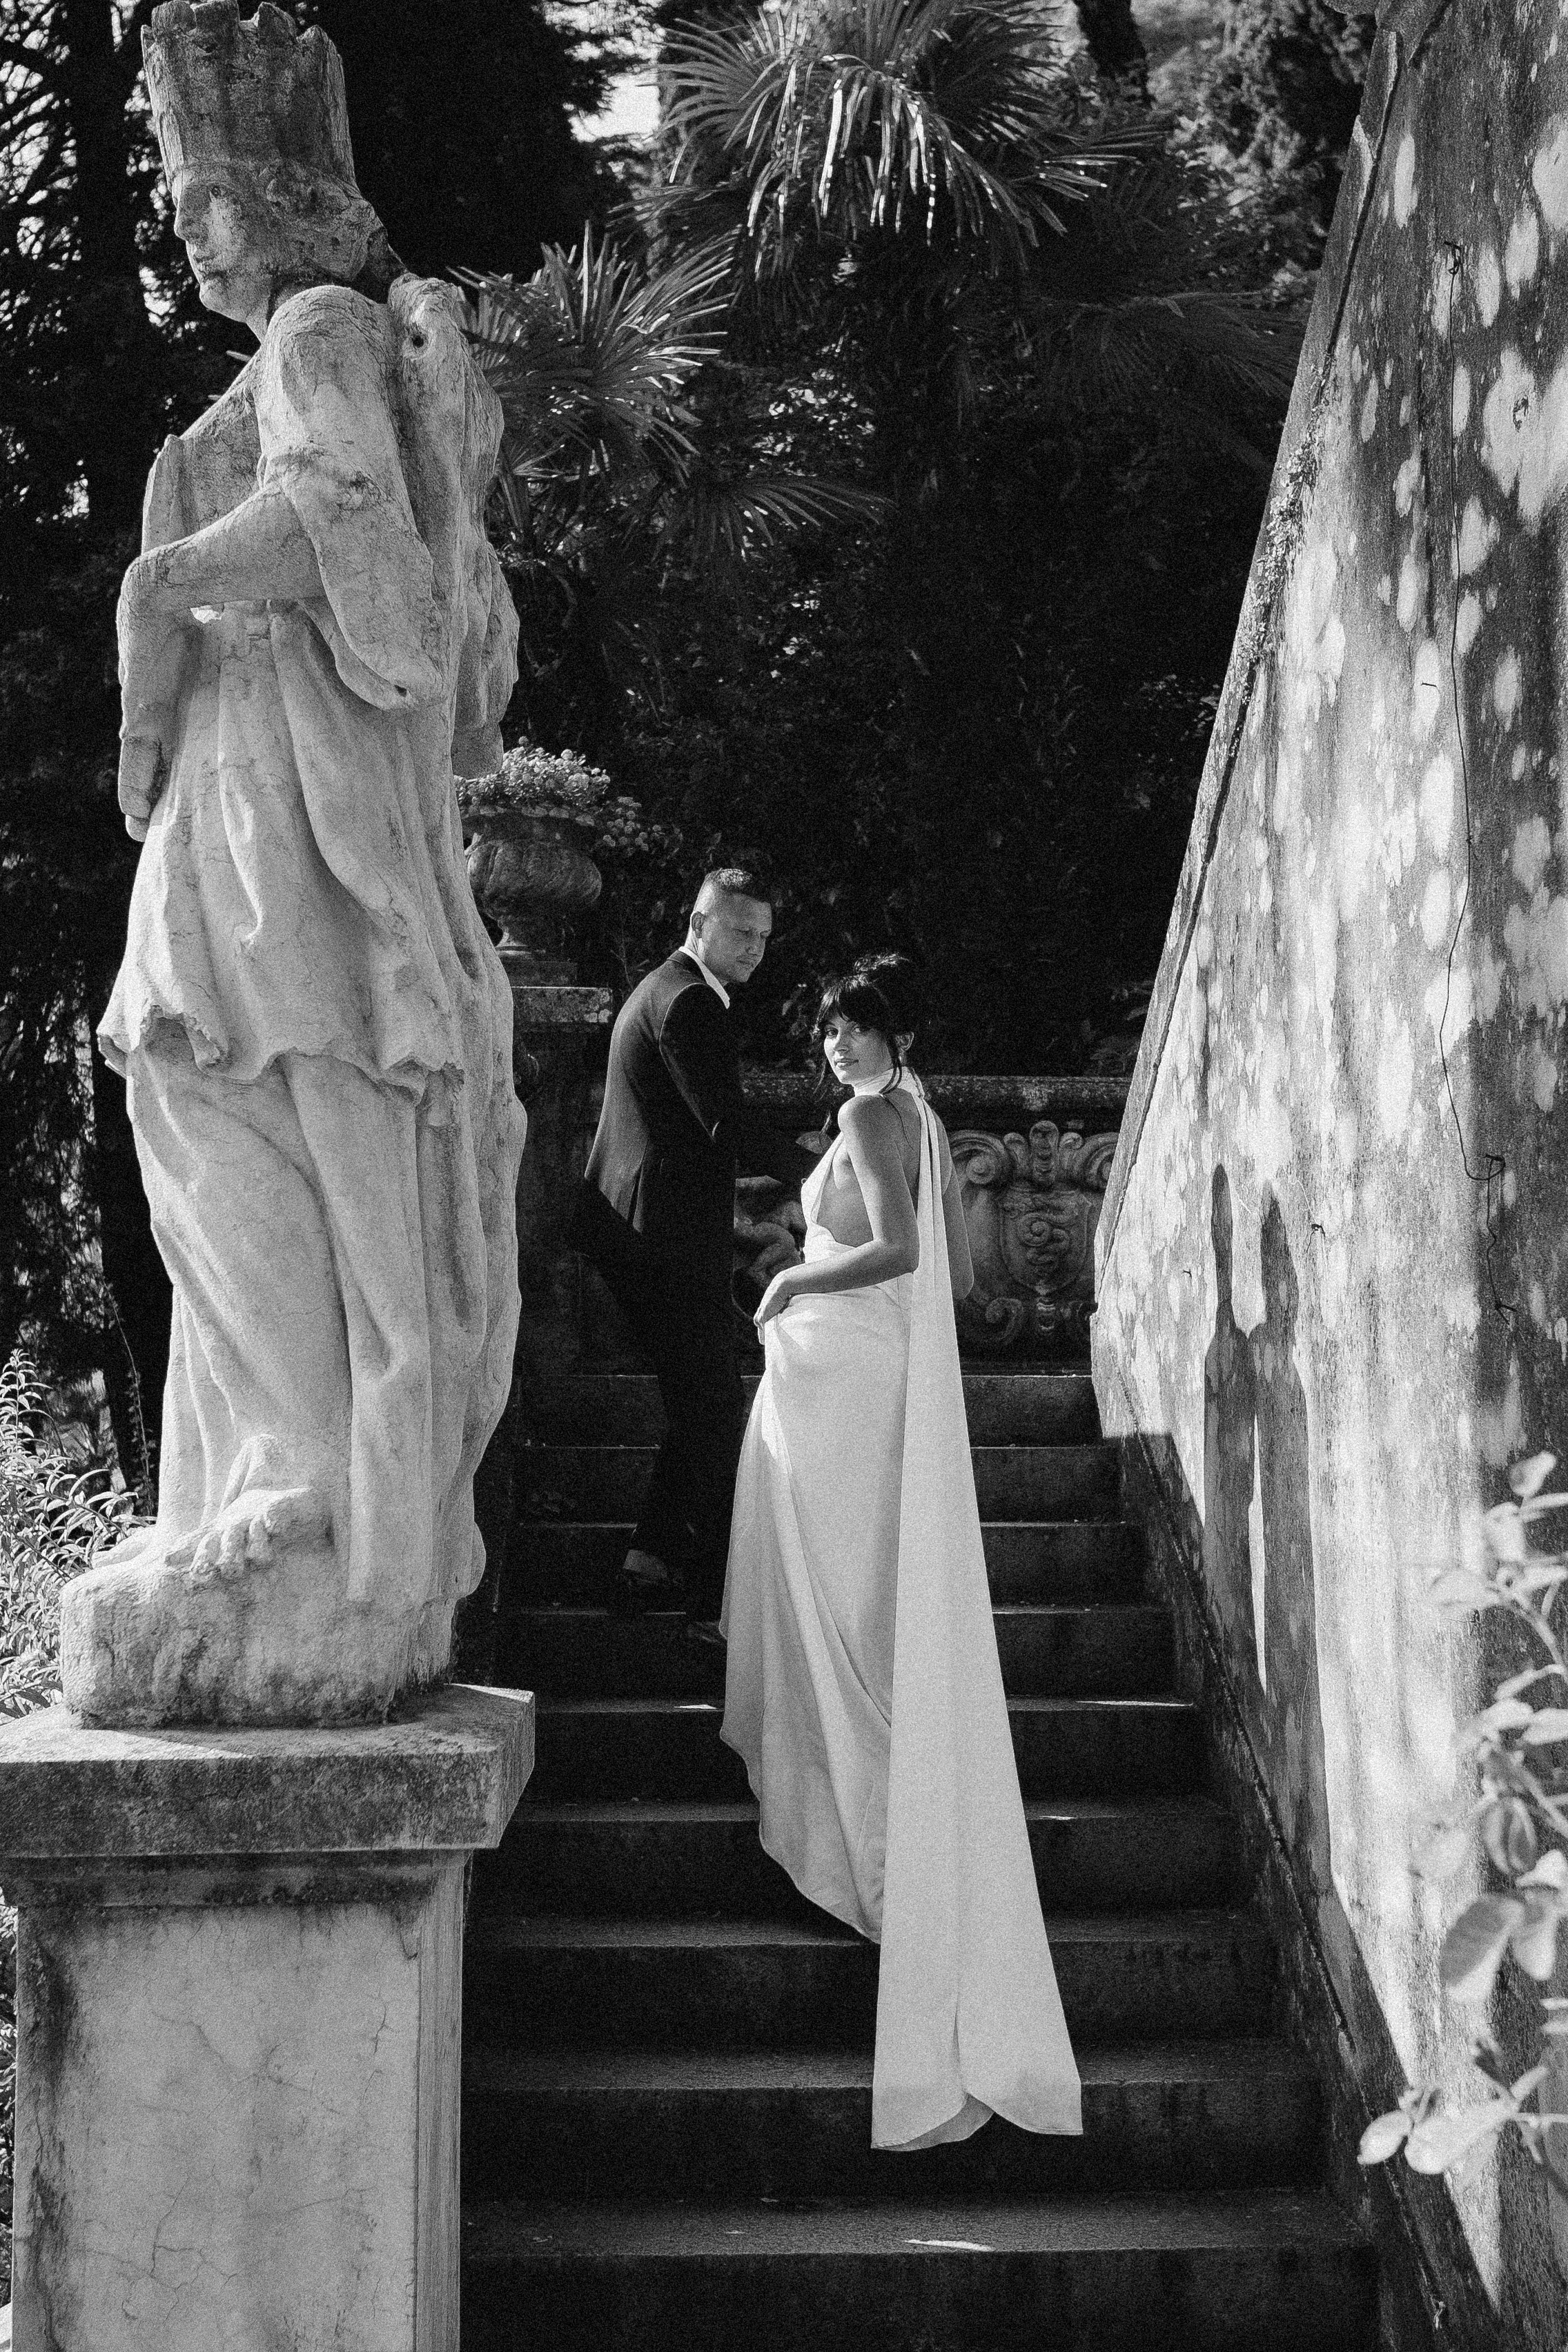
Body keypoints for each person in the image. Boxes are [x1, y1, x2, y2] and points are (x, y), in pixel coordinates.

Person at [61, 0, 525, 1725]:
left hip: (293, 807)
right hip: (233, 789)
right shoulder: (257, 365)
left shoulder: (321, 329)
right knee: (196, 1090)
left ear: (274, 188)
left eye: (202, 192)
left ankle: (315, 1483)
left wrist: (168, 581)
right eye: (170, 194)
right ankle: (267, 1465)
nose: (182, 221)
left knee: (275, 1083)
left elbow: (346, 514)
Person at [721, 954, 1083, 2151]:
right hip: (862, 1369)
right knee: (849, 1590)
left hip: (853, 1367)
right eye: (830, 1029)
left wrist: (789, 1279)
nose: (840, 1047)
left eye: (859, 1028)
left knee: (839, 1591)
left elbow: (902, 1255)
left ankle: (872, 1837)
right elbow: (948, 1263)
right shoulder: (909, 1111)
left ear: (897, 1036)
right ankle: (874, 1826)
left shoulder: (880, 1115)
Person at [572, 868, 781, 1638]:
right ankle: (708, 1602)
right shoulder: (688, 1001)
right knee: (716, 1409)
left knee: (703, 1405)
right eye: (740, 932)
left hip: (640, 1234)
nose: (755, 949)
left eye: (762, 936)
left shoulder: (664, 989)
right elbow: (722, 1124)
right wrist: (825, 1165)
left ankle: (650, 1562)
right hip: (654, 1240)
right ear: (700, 923)